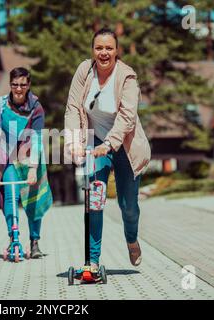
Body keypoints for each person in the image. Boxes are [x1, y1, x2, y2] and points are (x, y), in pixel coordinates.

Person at [64, 27, 151, 270]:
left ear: (117, 50)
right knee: (94, 200)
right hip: (94, 146)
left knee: (128, 206)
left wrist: (109, 144)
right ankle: (92, 261)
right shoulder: (84, 71)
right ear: (93, 50)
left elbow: (127, 117)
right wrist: (73, 142)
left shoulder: (127, 77)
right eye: (99, 47)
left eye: (109, 48)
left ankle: (131, 239)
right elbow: (73, 108)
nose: (104, 53)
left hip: (124, 147)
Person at [0, 67, 53, 258]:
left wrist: (32, 169)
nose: (18, 89)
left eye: (22, 85)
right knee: (11, 196)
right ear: (10, 85)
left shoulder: (36, 108)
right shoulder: (1, 105)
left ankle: (35, 242)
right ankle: (14, 238)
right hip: (8, 157)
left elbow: (37, 139)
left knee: (33, 201)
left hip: (31, 157)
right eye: (15, 85)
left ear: (28, 85)